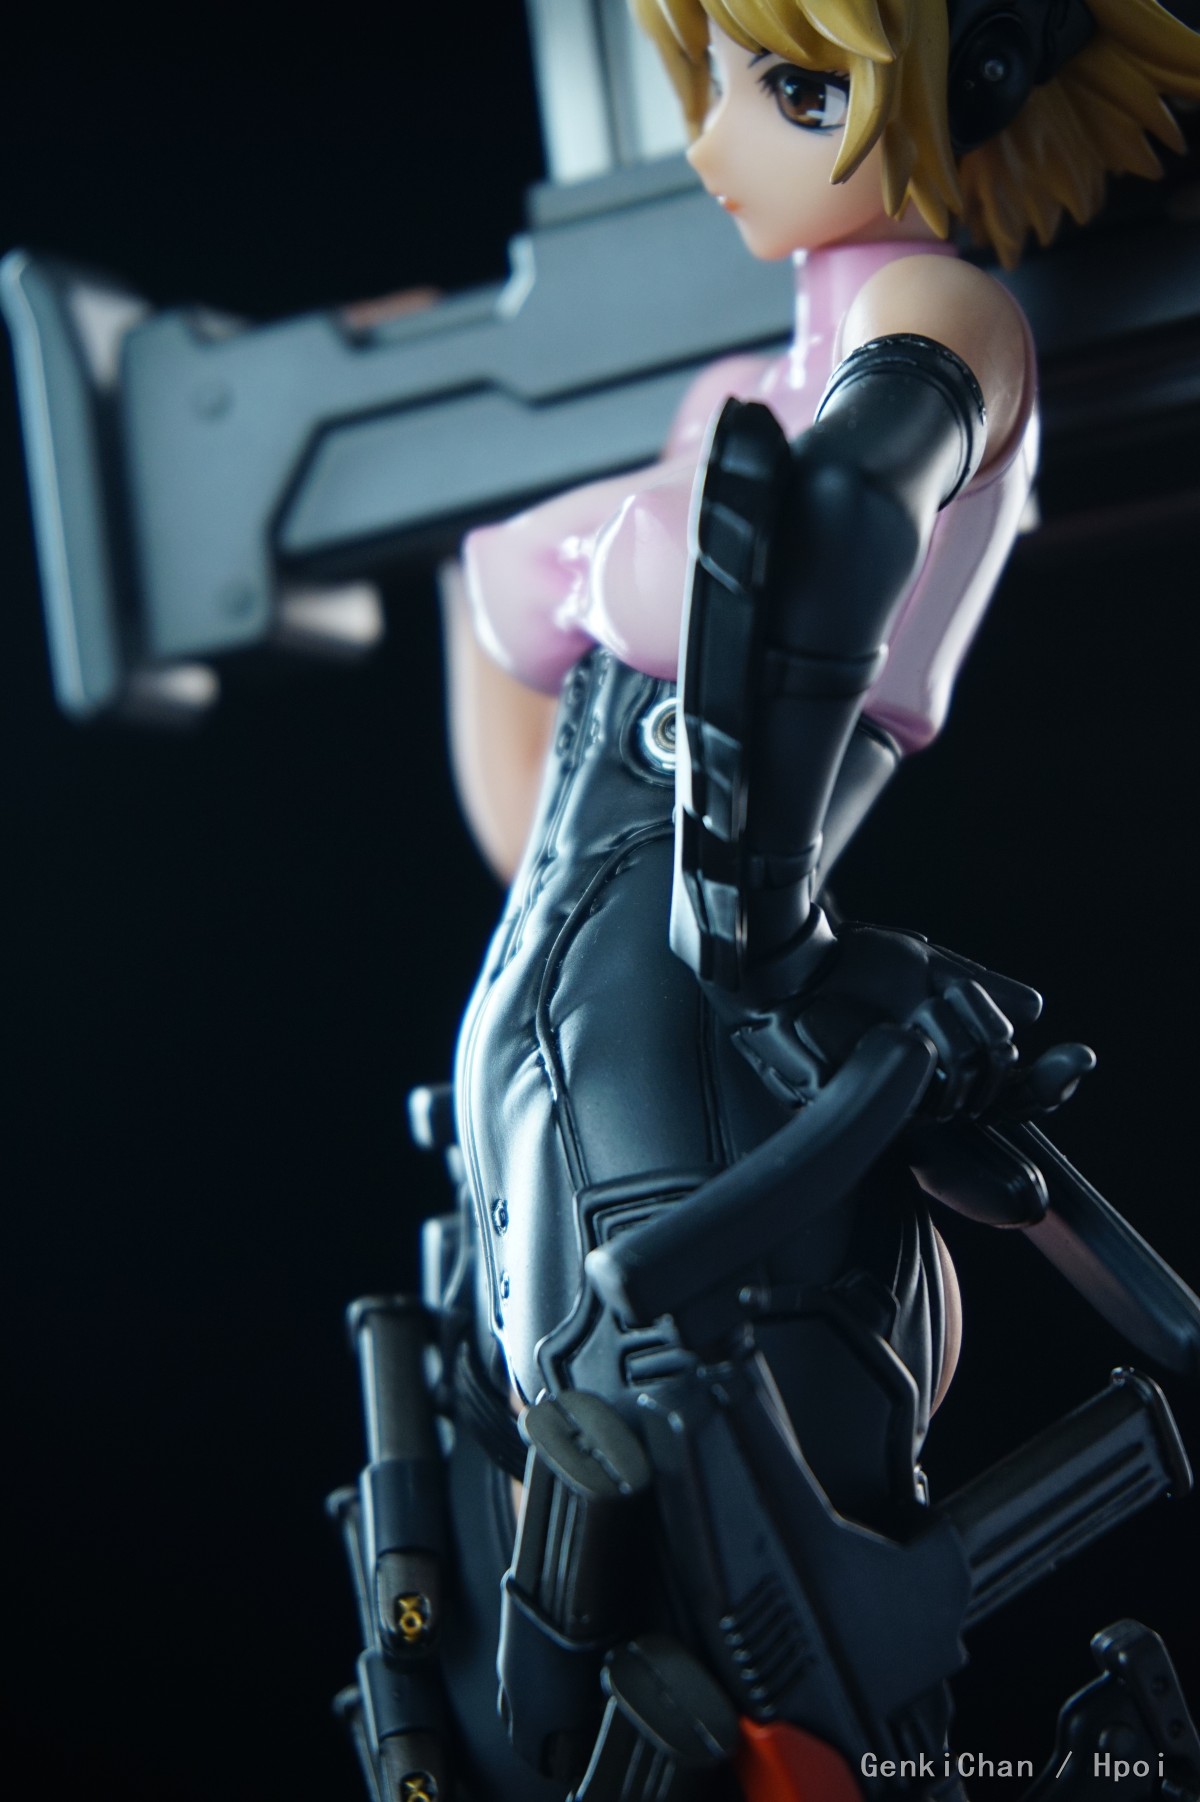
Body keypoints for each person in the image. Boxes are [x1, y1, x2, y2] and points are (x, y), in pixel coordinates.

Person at [424, 4, 1200, 1797]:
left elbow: (849, 513)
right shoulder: (750, 373)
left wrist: (756, 908)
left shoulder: (940, 315)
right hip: (573, 989)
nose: (714, 144)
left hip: (675, 997)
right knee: (583, 1578)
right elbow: (542, 707)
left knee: (722, 1581)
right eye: (709, 76)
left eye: (791, 89)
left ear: (975, 79)